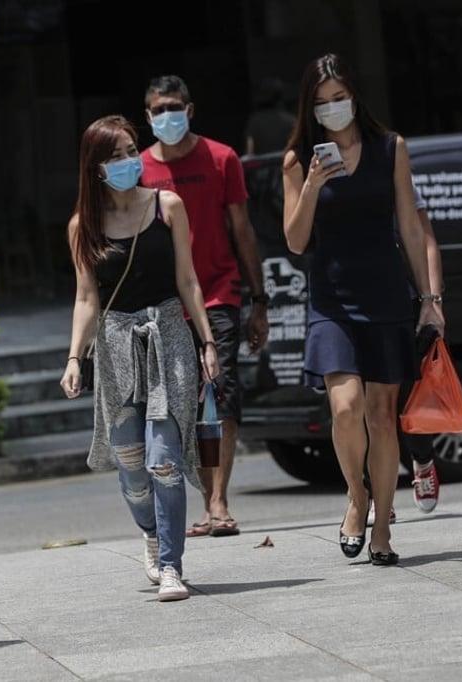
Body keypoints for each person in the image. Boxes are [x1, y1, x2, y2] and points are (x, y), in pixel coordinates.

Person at [282, 53, 444, 565]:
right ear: (309, 107)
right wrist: (311, 185)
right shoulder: (298, 160)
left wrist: (430, 302)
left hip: (387, 296)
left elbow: (411, 227)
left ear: (355, 97)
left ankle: (382, 532)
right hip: (331, 301)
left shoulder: (390, 148)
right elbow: (295, 239)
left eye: (340, 99)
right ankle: (357, 496)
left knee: (380, 413)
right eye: (322, 102)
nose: (333, 109)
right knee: (346, 407)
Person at [60, 114, 220, 602]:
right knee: (131, 464)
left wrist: (208, 343)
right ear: (95, 168)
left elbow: (188, 280)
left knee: (164, 459)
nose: (129, 162)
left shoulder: (167, 206)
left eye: (132, 151)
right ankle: (150, 534)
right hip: (115, 345)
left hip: (168, 334)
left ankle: (171, 565)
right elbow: (87, 298)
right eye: (115, 156)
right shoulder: (82, 227)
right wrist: (73, 357)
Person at [139, 74, 270, 539]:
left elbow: (243, 231)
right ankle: (202, 498)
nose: (167, 116)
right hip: (165, 305)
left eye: (175, 106)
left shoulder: (221, 158)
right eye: (158, 109)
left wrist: (259, 300)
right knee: (182, 406)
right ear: (147, 115)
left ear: (190, 110)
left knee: (222, 394)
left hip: (217, 293)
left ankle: (219, 500)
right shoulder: (136, 170)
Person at [368, 178, 446, 525]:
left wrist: (433, 300)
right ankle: (373, 495)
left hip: (404, 296)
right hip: (354, 300)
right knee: (362, 406)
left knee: (408, 399)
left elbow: (425, 238)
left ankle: (423, 459)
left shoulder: (391, 168)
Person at [245, 77, 298, 156]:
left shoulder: (254, 121)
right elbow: (297, 147)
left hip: (262, 167)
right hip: (286, 164)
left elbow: (250, 151)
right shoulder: (290, 120)